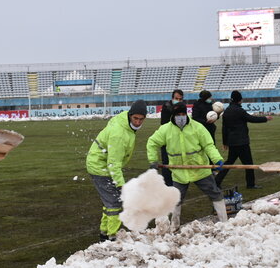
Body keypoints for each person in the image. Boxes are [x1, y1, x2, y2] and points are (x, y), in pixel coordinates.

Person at [147, 102, 227, 232]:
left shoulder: (197, 127)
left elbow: (208, 145)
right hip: (180, 173)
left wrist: (217, 159)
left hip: (200, 170)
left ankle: (225, 222)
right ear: (173, 115)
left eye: (183, 114)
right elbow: (152, 143)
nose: (181, 117)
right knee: (176, 199)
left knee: (215, 194)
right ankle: (174, 226)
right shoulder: (165, 130)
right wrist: (153, 161)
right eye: (178, 114)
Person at [86, 100, 147, 241]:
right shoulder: (119, 134)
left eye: (141, 119)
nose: (138, 122)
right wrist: (121, 185)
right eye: (135, 118)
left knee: (109, 202)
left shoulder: (126, 125)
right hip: (99, 166)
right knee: (114, 203)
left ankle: (104, 233)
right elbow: (113, 164)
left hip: (101, 164)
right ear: (130, 116)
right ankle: (111, 237)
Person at [215, 91, 272, 190]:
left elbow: (224, 128)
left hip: (232, 142)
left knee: (229, 163)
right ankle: (250, 184)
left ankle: (217, 181)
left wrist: (225, 142)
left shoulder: (227, 111)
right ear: (239, 100)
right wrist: (265, 118)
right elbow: (251, 119)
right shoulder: (239, 111)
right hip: (242, 142)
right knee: (248, 164)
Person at [159, 89, 184, 186]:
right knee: (166, 162)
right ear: (172, 98)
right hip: (167, 139)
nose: (178, 100)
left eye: (180, 99)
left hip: (178, 139)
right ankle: (168, 184)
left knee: (178, 161)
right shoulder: (167, 107)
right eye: (176, 98)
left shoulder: (182, 107)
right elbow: (164, 124)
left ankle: (177, 182)